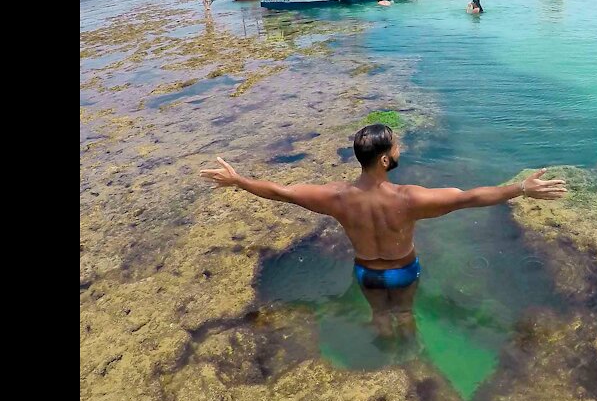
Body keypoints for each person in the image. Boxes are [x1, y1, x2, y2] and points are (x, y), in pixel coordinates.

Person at [199, 126, 566, 337]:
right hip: (403, 270)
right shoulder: (409, 199)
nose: (399, 148)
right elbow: (469, 197)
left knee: (378, 316)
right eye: (396, 146)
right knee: (406, 313)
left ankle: (387, 350)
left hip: (367, 273)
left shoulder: (337, 198)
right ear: (386, 159)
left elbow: (281, 192)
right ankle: (409, 352)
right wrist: (520, 188)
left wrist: (238, 181)